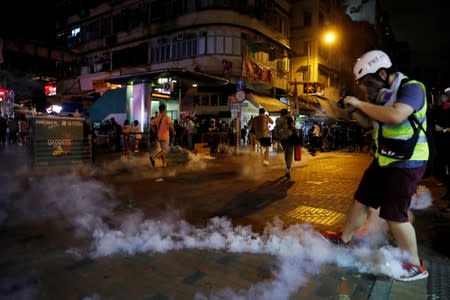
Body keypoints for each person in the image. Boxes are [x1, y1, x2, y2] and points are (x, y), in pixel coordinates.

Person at [321, 50, 429, 281]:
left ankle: (416, 266)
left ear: (383, 72)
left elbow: (395, 116)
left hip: (408, 162)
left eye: (368, 82)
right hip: (384, 159)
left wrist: (360, 102)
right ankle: (345, 240)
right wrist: (353, 112)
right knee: (361, 200)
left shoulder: (412, 88)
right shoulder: (379, 97)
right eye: (362, 85)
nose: (365, 89)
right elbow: (370, 124)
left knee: (395, 215)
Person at [274, 108, 298, 179]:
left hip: (282, 139)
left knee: (286, 152)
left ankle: (287, 168)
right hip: (290, 137)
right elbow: (293, 127)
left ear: (280, 113)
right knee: (289, 153)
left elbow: (276, 129)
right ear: (286, 113)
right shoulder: (289, 119)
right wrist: (296, 131)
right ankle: (288, 169)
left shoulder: (278, 120)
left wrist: (277, 137)